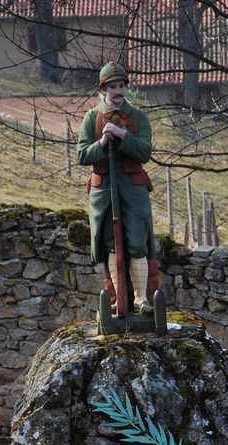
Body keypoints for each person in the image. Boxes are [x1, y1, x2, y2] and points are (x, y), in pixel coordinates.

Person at [77, 62, 156, 314]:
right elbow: (82, 155)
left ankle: (141, 299)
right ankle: (117, 298)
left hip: (132, 187)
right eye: (113, 86)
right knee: (110, 243)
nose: (118, 91)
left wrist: (123, 136)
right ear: (104, 89)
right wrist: (101, 142)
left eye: (122, 85)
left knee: (136, 241)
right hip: (104, 188)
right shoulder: (92, 118)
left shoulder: (138, 117)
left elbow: (144, 151)